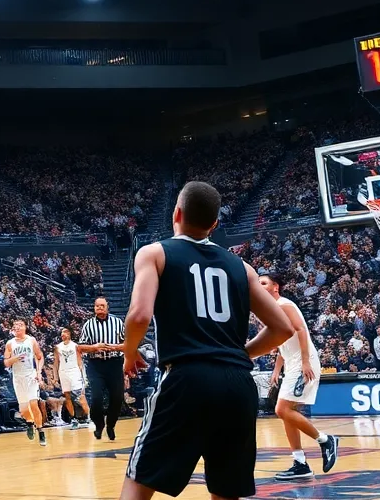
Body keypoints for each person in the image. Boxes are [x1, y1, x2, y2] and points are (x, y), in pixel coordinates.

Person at [119, 181, 295, 500]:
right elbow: (282, 328)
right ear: (214, 224)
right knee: (226, 492)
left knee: (138, 482)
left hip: (187, 378)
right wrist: (241, 355)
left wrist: (129, 353)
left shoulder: (155, 253)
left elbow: (139, 316)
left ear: (177, 213)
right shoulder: (242, 268)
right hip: (238, 385)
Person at [257, 274, 339, 480]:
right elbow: (283, 343)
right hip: (292, 362)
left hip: (303, 361)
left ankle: (326, 440)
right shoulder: (271, 311)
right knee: (287, 413)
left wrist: (304, 362)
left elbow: (302, 330)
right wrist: (277, 370)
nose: (259, 286)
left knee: (281, 409)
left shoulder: (284, 305)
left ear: (276, 287)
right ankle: (300, 463)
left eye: (264, 283)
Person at [78, 298, 126, 440]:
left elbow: (127, 343)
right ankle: (99, 424)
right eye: (97, 306)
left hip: (115, 363)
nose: (100, 308)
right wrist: (94, 347)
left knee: (117, 398)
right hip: (96, 364)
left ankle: (111, 425)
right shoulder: (88, 325)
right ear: (94, 308)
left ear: (107, 307)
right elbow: (80, 347)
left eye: (102, 306)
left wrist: (116, 347)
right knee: (96, 398)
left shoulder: (118, 322)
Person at [4, 320, 46, 446]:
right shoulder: (10, 343)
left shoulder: (31, 340)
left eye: (20, 325)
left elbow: (40, 356)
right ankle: (29, 423)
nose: (17, 327)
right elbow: (6, 362)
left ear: (25, 327)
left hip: (30, 375)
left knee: (34, 404)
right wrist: (14, 359)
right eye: (15, 326)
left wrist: (38, 373)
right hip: (18, 377)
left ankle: (41, 431)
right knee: (23, 410)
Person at [54, 327, 90, 429]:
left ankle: (90, 417)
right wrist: (55, 378)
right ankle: (74, 419)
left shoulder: (75, 346)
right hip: (63, 373)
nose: (62, 334)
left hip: (74, 372)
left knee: (80, 396)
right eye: (61, 332)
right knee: (67, 396)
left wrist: (84, 376)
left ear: (70, 334)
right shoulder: (58, 347)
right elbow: (56, 363)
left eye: (65, 332)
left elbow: (80, 362)